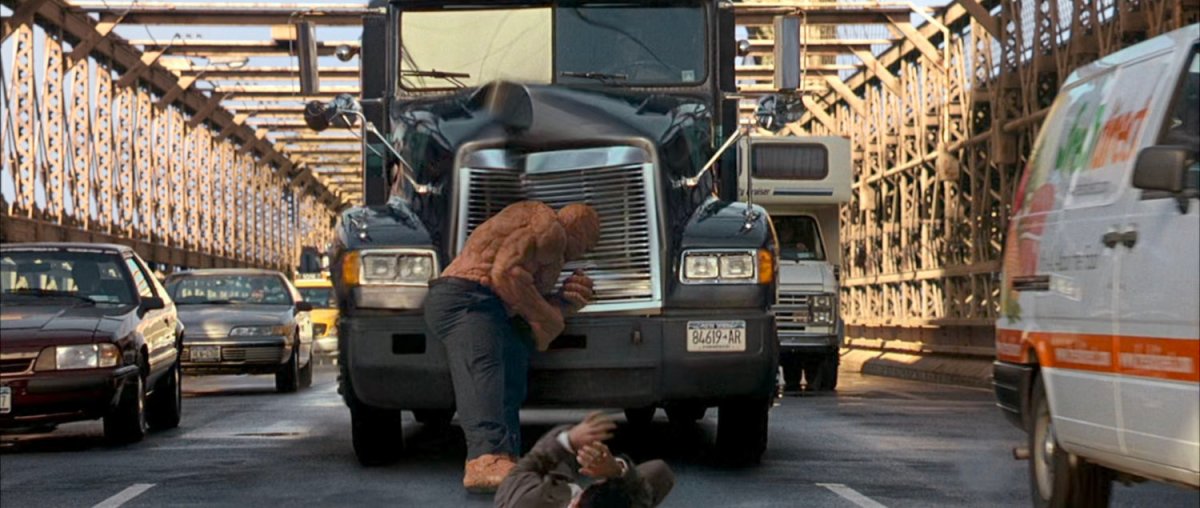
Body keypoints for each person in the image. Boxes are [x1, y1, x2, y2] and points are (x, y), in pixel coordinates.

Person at [424, 201, 602, 493]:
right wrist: (551, 319)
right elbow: (505, 274)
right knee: (485, 368)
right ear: (579, 231)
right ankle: (484, 458)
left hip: (487, 303)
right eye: (586, 243)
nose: (582, 252)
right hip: (467, 297)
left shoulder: (542, 245)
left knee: (511, 367)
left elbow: (526, 306)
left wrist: (563, 304)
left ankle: (505, 457)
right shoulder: (550, 228)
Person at [494, 412, 675, 508]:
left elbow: (527, 466)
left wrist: (569, 441)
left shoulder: (527, 501)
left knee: (551, 455)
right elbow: (656, 477)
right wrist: (617, 472)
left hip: (529, 496)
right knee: (655, 476)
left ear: (576, 501)